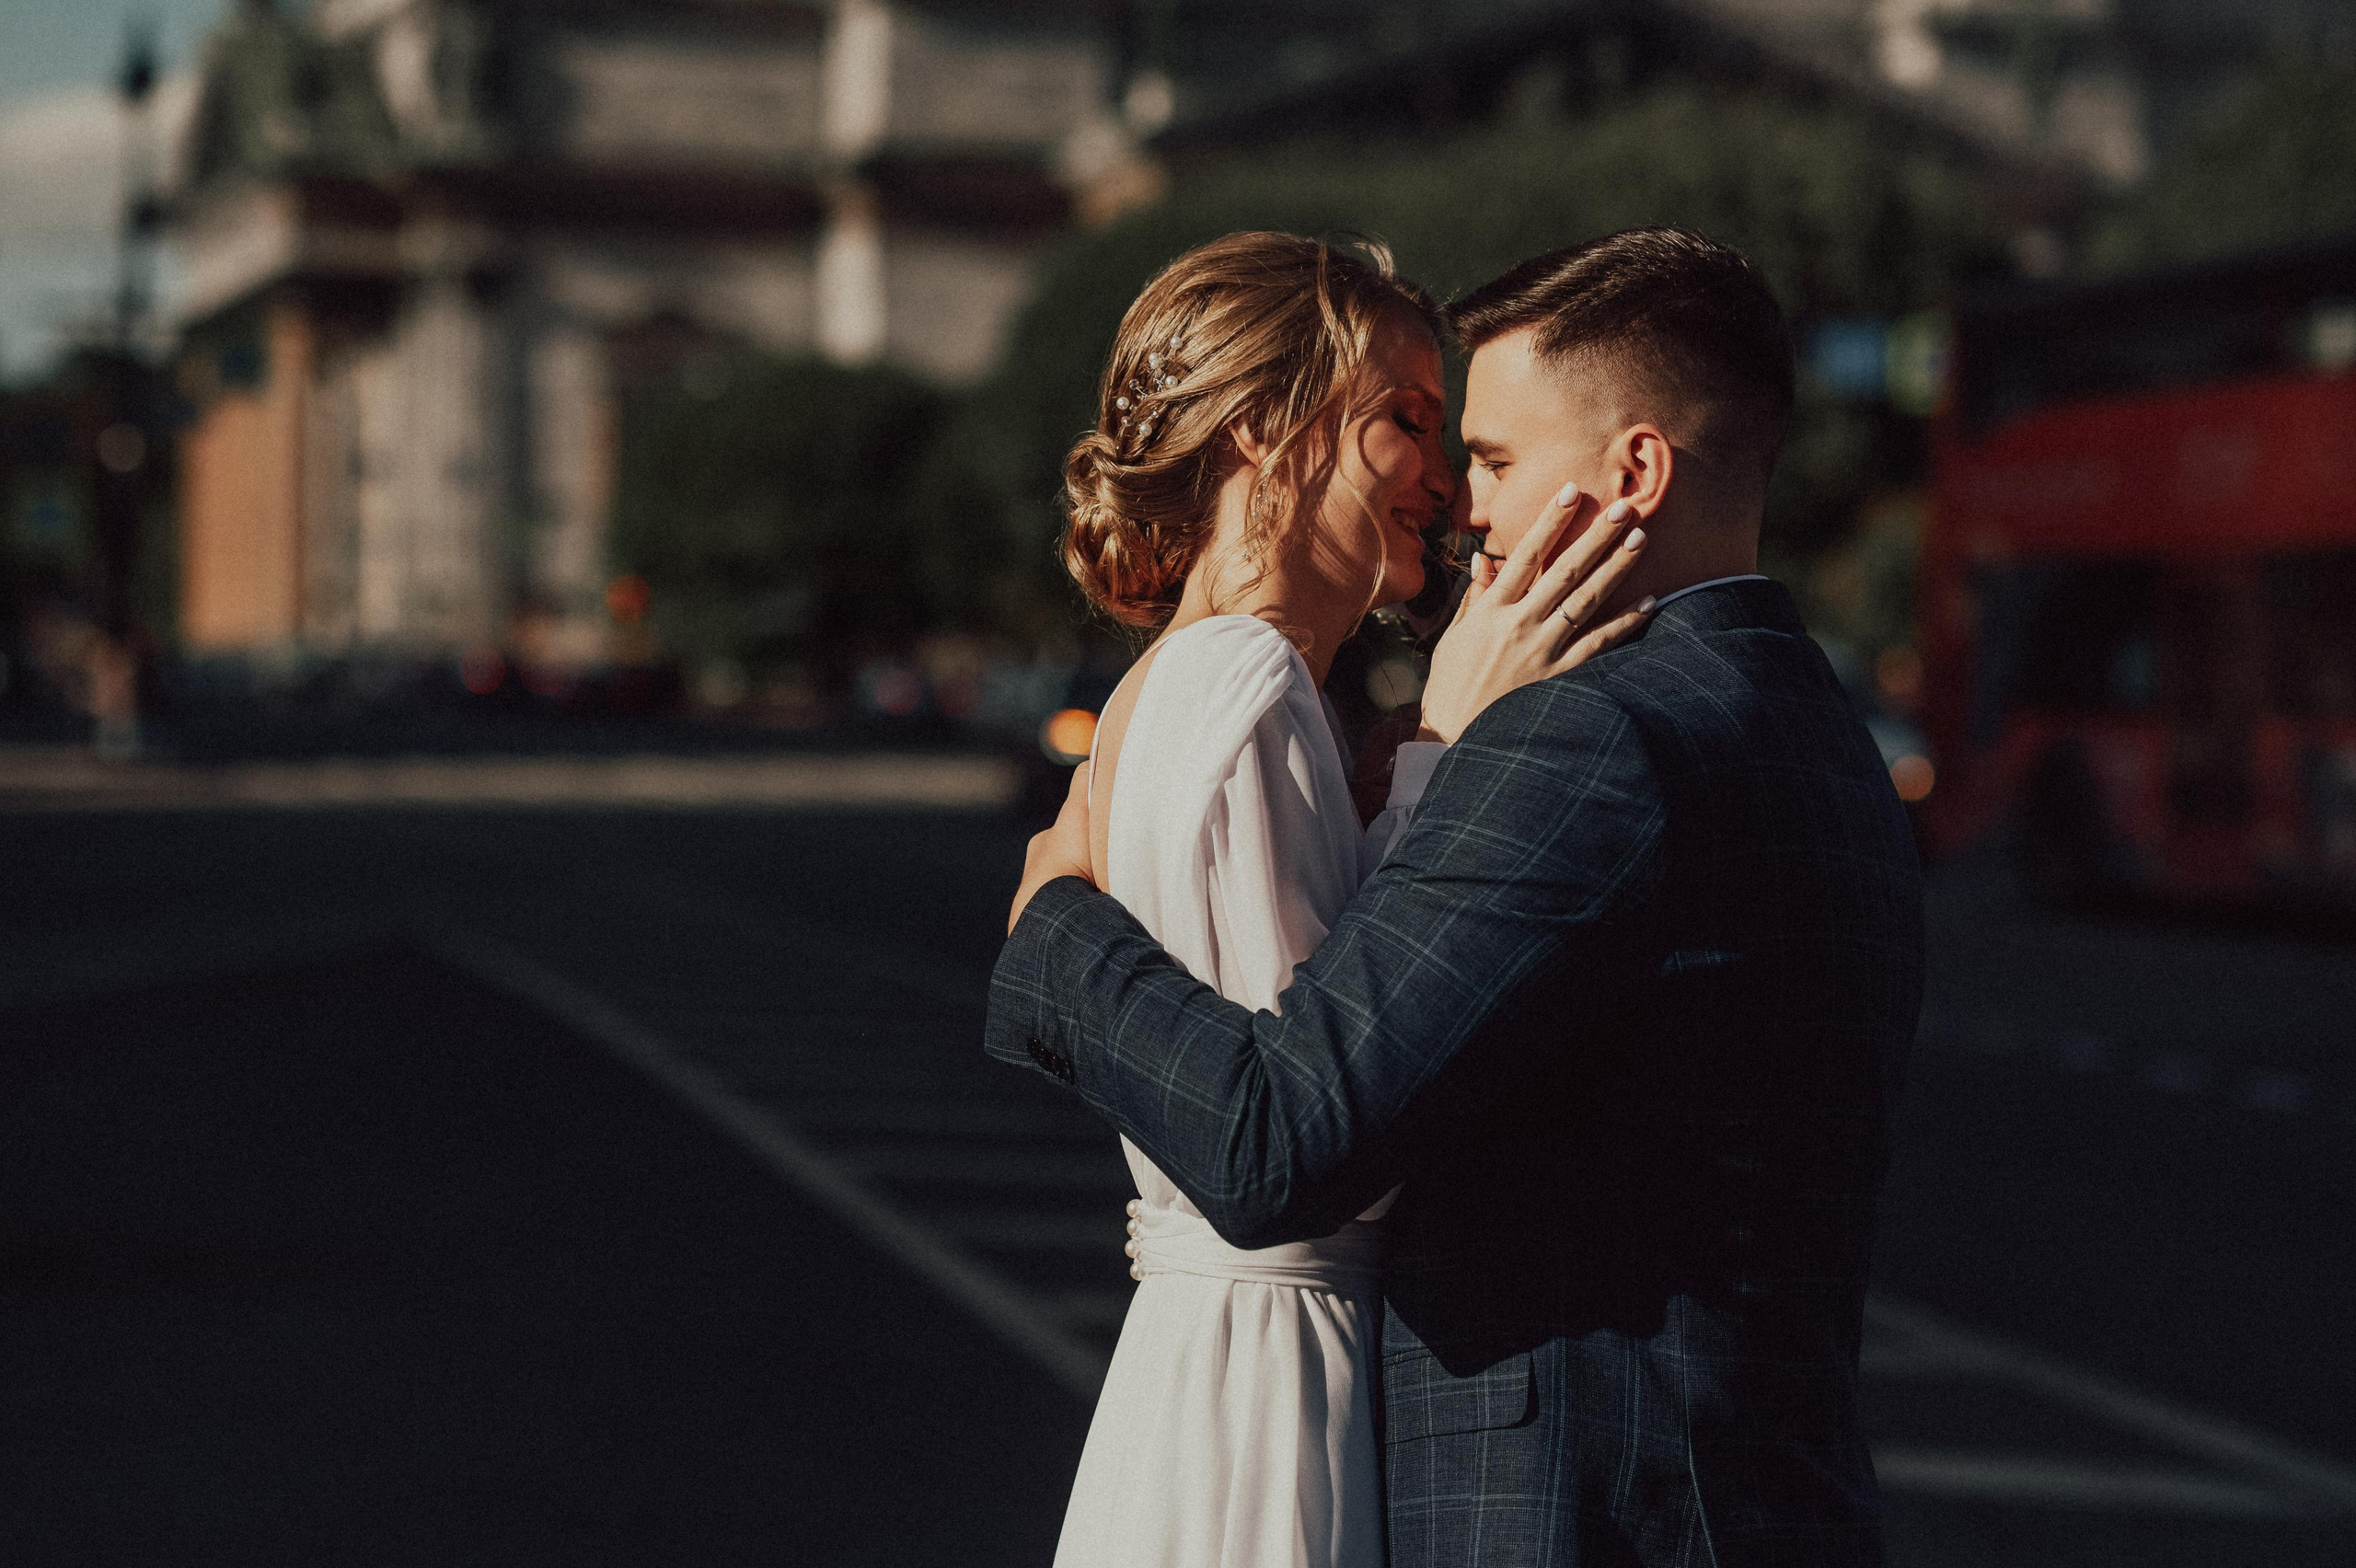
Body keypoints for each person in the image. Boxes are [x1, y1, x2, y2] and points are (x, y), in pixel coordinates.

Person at [991, 227, 1925, 1566]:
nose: (1463, 500)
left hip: (1581, 1518)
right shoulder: (1813, 725)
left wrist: (1052, 936)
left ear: (1633, 475)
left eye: (1489, 457)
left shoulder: (1592, 737)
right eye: (1429, 439)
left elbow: (1286, 1140)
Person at [1033, 231, 1652, 1568]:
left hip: (1229, 1353)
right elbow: (1319, 1132)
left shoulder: (1222, 680)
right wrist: (1442, 762)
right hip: (1275, 1378)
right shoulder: (1248, 681)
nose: (1442, 481)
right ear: (1268, 430)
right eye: (1405, 423)